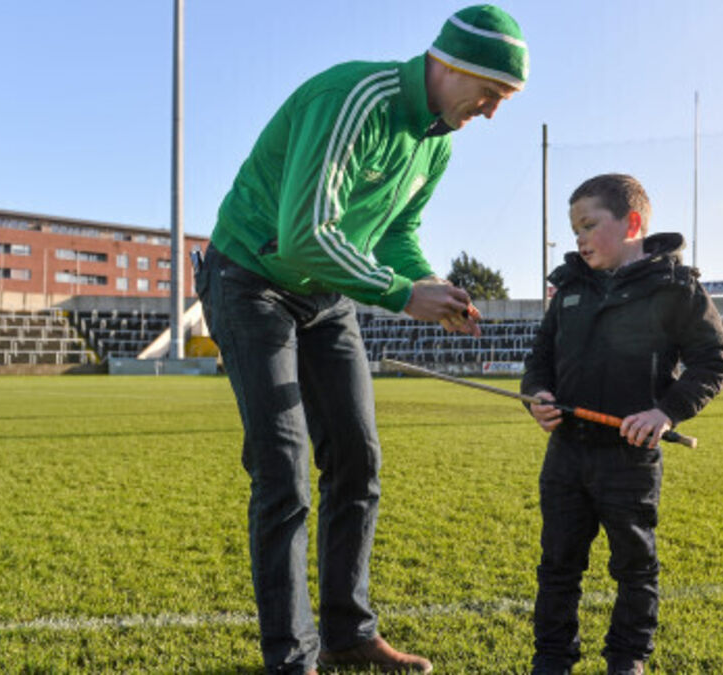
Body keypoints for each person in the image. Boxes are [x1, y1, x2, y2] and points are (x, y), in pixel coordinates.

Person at [194, 6, 528, 674]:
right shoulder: (355, 99)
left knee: (357, 458)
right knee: (283, 468)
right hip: (250, 279)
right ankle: (293, 658)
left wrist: (429, 282)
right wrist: (403, 295)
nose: (492, 112)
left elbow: (396, 230)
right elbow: (305, 236)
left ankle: (348, 634)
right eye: (490, 92)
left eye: (504, 100)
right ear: (449, 65)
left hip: (325, 295)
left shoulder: (437, 141)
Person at [521, 174, 723, 675]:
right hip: (567, 454)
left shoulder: (677, 288)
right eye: (575, 229)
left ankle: (627, 659)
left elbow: (714, 360)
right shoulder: (569, 286)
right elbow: (539, 360)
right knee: (557, 566)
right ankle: (551, 659)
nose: (580, 238)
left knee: (634, 567)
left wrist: (666, 411)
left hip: (629, 460)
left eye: (589, 225)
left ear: (632, 223)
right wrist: (537, 396)